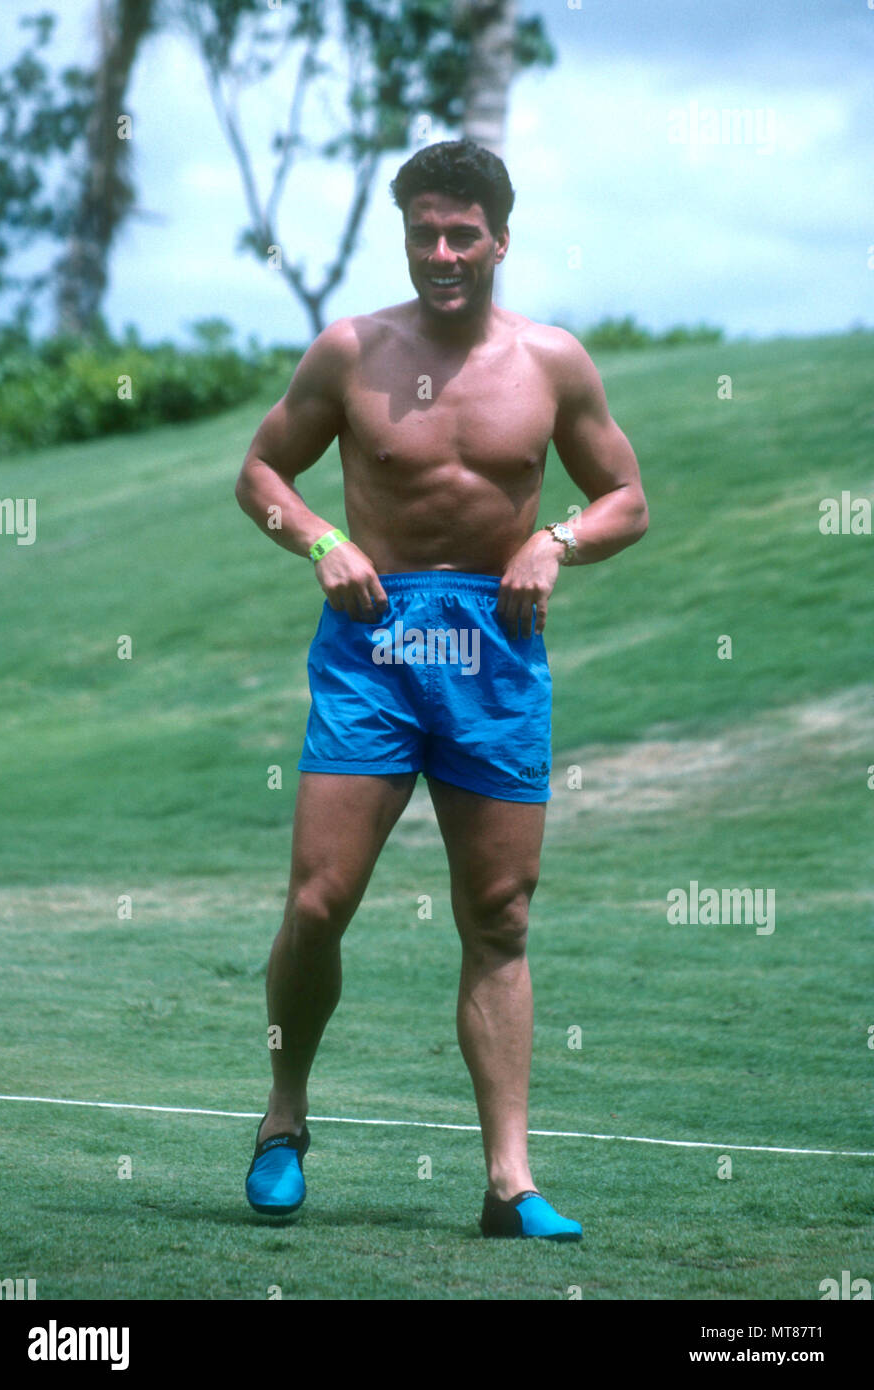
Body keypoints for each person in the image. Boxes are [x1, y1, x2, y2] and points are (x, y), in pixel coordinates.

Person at [235, 139, 648, 1240]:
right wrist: (320, 535)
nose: (442, 250)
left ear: (500, 239)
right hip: (373, 642)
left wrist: (555, 538)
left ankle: (508, 1184)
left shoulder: (551, 362)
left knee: (499, 917)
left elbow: (626, 499)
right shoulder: (349, 350)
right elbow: (258, 471)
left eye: (462, 231)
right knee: (320, 902)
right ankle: (283, 1120)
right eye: (423, 230)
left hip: (494, 647)